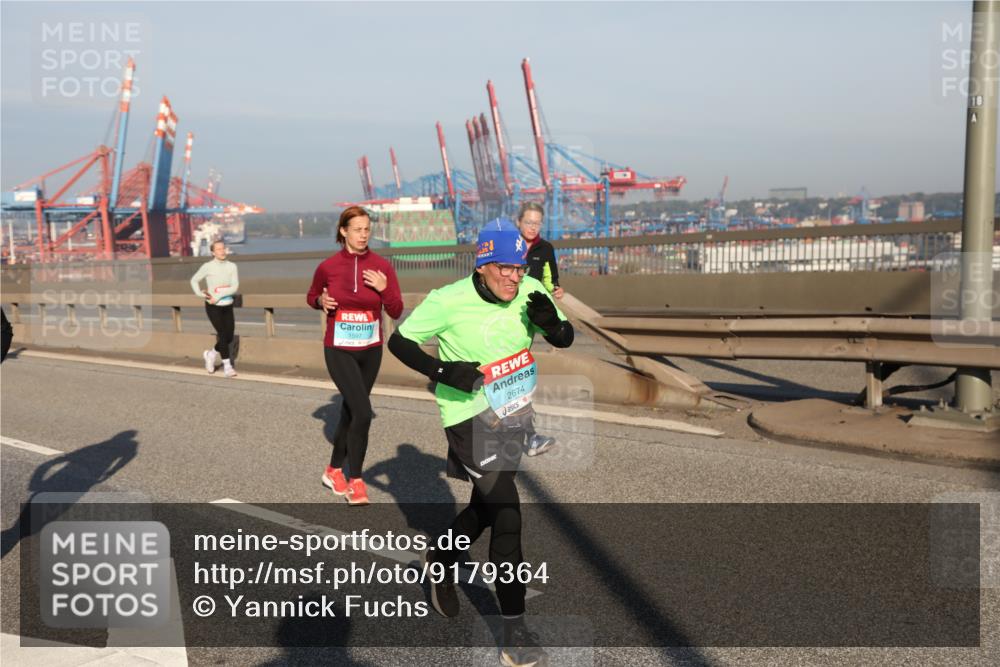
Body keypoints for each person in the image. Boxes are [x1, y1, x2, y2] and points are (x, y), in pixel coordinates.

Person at [388, 218, 573, 667]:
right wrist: (444, 371)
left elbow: (565, 338)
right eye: (506, 268)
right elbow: (400, 341)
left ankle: (440, 557)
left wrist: (551, 325)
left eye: (521, 267)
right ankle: (515, 634)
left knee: (488, 508)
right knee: (508, 514)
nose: (515, 276)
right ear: (484, 264)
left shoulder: (530, 290)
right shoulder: (448, 300)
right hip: (468, 417)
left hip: (514, 413)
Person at [307, 206, 403, 506]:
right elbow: (312, 296)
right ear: (343, 232)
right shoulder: (328, 267)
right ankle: (356, 482)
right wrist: (321, 299)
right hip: (339, 348)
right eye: (357, 229)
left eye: (366, 229)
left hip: (371, 349)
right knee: (362, 411)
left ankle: (333, 469)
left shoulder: (382, 267)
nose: (364, 234)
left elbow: (396, 310)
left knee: (351, 409)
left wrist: (385, 289)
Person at [516, 202, 563, 457]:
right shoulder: (507, 243)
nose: (532, 227)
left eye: (537, 223)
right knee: (511, 374)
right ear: (518, 222)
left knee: (519, 375)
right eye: (528, 222)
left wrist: (557, 291)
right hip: (501, 315)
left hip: (527, 319)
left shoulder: (545, 249)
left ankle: (528, 435)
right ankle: (526, 435)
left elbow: (551, 283)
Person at [190, 240, 239, 378]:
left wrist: (218, 295)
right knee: (222, 335)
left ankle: (210, 354)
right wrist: (201, 294)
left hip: (227, 305)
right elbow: (194, 280)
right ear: (213, 252)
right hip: (213, 306)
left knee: (229, 337)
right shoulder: (208, 266)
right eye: (218, 249)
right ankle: (227, 367)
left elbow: (234, 287)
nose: (222, 251)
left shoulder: (232, 266)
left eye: (223, 248)